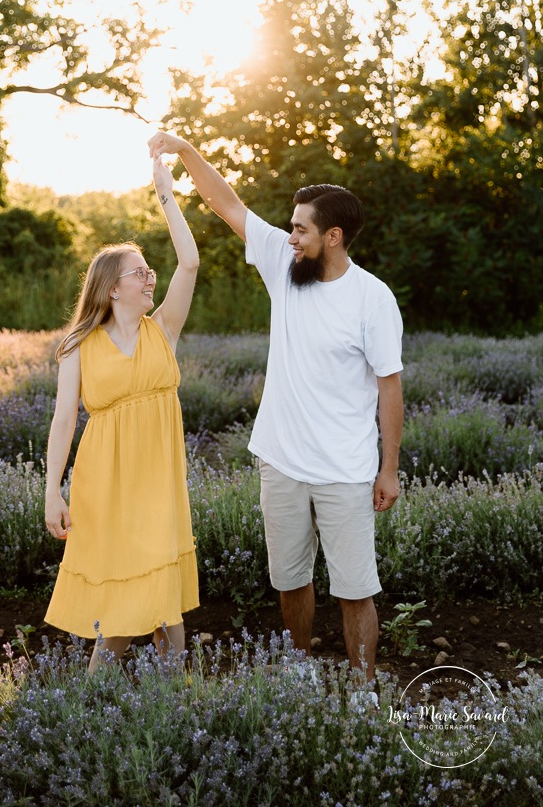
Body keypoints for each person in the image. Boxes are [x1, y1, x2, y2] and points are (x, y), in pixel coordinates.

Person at [147, 130, 403, 680]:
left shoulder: (372, 298)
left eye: (300, 229)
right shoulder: (285, 271)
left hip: (347, 470)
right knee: (290, 580)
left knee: (355, 589)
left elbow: (389, 387)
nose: (290, 237)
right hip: (281, 462)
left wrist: (388, 468)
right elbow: (226, 203)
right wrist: (184, 149)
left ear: (332, 237)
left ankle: (361, 689)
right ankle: (301, 671)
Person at [44, 153, 200, 671]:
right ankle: (98, 703)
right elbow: (64, 420)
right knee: (122, 606)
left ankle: (174, 700)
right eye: (139, 273)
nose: (150, 278)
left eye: (149, 271)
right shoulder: (79, 346)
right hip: (105, 482)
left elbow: (191, 262)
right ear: (114, 287)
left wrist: (166, 194)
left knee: (164, 600)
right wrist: (52, 490)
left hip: (158, 479)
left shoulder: (164, 330)